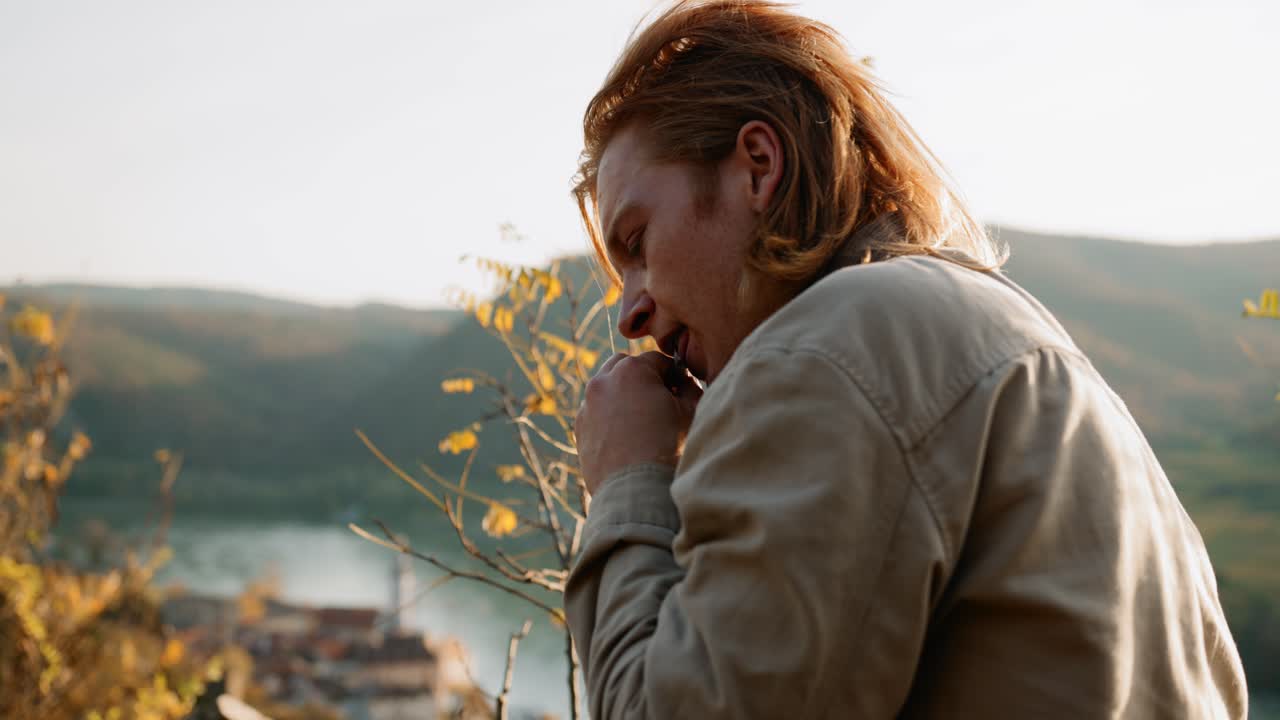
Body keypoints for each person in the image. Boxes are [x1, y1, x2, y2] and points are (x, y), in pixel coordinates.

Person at [566, 2, 1249, 718]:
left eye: (638, 243)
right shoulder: (1010, 335)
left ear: (758, 168)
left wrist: (628, 480)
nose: (629, 314)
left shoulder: (829, 351)